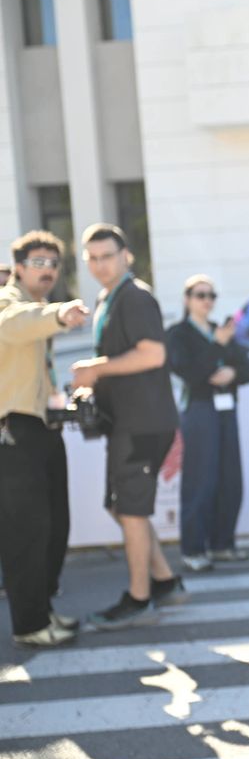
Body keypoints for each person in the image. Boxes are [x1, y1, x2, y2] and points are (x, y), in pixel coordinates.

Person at [71, 224, 187, 629]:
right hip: (130, 423)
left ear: (126, 256)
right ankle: (165, 581)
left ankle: (139, 599)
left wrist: (96, 369)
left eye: (108, 255)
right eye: (93, 258)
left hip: (142, 424)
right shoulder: (109, 296)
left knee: (131, 511)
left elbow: (153, 355)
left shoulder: (135, 296)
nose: (100, 264)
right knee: (121, 507)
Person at [0, 231, 88, 647]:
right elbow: (12, 325)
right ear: (18, 267)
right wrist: (58, 313)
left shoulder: (35, 309)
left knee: (54, 526)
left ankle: (43, 611)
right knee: (27, 531)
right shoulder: (9, 301)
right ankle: (30, 625)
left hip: (40, 426)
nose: (48, 270)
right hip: (13, 431)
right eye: (38, 262)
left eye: (53, 263)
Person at [166, 275, 249, 573]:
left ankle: (222, 544)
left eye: (211, 295)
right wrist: (217, 347)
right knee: (200, 479)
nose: (207, 300)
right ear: (187, 299)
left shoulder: (221, 330)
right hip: (199, 410)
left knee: (230, 478)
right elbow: (189, 372)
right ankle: (193, 549)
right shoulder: (178, 334)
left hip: (226, 410)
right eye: (200, 295)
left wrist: (232, 373)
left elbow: (248, 367)